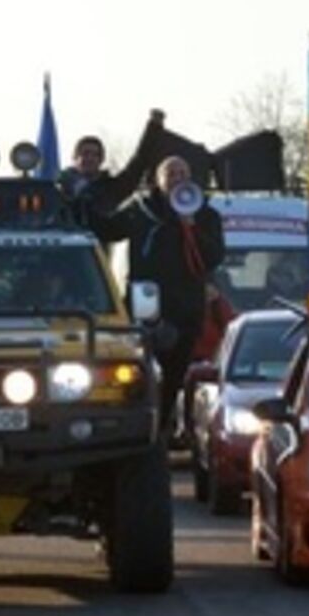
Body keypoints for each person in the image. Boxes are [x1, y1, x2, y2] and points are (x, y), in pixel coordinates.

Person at [102, 155, 226, 429]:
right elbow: (107, 230)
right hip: (145, 309)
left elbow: (213, 257)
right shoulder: (141, 211)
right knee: (140, 375)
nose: (177, 179)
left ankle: (163, 428)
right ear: (158, 181)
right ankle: (139, 426)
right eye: (171, 174)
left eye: (183, 173)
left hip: (185, 312)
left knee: (174, 376)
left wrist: (191, 226)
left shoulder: (206, 215)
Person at [59, 110, 165, 237]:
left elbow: (139, 163)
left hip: (98, 247)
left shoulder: (111, 189)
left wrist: (153, 128)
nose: (90, 158)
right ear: (75, 157)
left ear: (101, 160)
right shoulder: (59, 189)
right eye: (85, 153)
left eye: (95, 155)